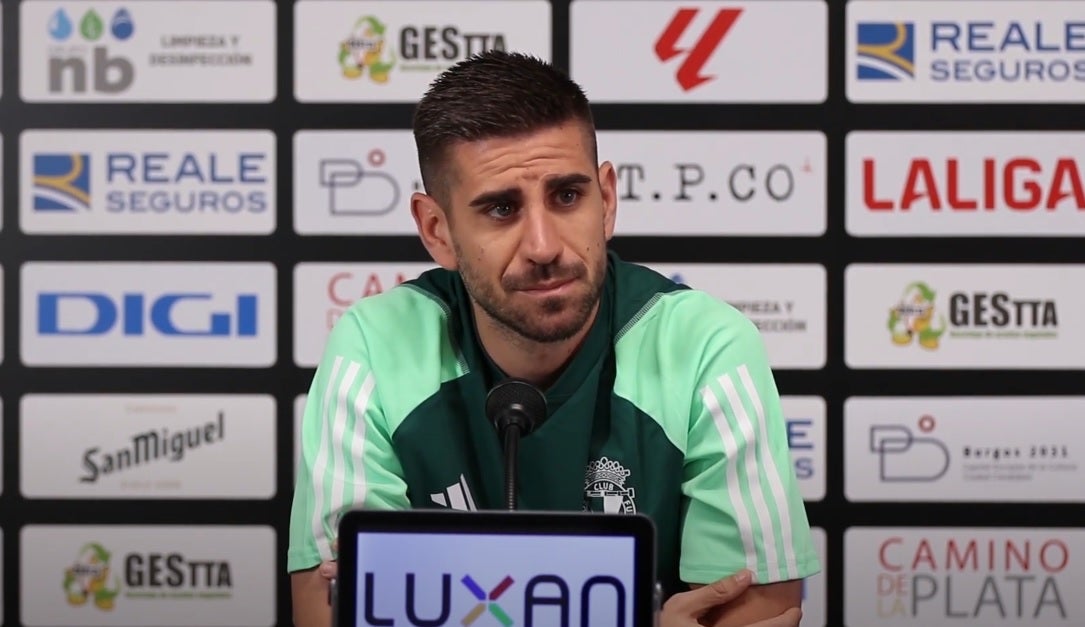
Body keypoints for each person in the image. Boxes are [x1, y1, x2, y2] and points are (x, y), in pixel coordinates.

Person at [288, 50, 820, 627]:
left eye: (567, 196)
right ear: (437, 231)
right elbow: (328, 614)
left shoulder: (704, 347)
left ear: (606, 200)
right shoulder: (373, 348)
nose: (544, 246)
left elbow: (759, 613)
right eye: (501, 209)